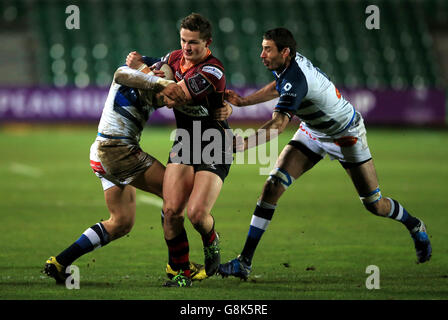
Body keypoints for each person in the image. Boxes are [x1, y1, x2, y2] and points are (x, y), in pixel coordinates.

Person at [218, 27, 432, 280]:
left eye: (267, 49)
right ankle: (244, 262)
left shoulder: (297, 77)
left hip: (346, 134)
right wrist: (244, 102)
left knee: (375, 205)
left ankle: (414, 224)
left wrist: (244, 144)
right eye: (262, 48)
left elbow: (277, 125)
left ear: (284, 52)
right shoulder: (286, 66)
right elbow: (279, 86)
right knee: (273, 185)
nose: (261, 54)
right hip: (313, 132)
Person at [43, 54, 232, 284]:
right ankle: (178, 267)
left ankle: (60, 262)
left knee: (121, 222)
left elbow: (175, 93)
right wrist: (162, 82)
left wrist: (223, 108)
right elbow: (138, 80)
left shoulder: (139, 77)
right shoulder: (148, 85)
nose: (165, 95)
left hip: (100, 153)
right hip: (119, 152)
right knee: (174, 197)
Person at [127, 13, 233, 287]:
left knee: (197, 214)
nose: (187, 47)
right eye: (184, 40)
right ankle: (180, 272)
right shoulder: (175, 57)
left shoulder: (213, 70)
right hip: (186, 140)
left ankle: (211, 239)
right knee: (172, 210)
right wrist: (148, 68)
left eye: (193, 43)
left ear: (208, 43)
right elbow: (160, 77)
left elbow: (173, 96)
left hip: (213, 142)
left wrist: (143, 71)